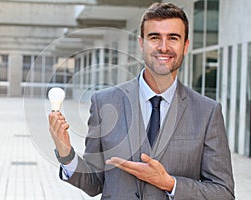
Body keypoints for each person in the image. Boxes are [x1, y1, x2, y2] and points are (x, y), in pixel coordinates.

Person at [48, 2, 235, 199]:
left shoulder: (207, 112)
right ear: (141, 44)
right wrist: (65, 152)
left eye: (173, 38)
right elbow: (94, 182)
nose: (164, 47)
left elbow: (223, 192)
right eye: (154, 37)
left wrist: (170, 184)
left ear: (185, 45)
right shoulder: (104, 102)